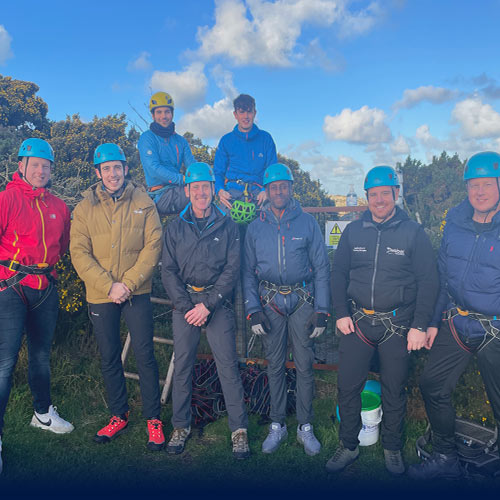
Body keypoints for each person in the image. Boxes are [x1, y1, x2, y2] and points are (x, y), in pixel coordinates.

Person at [327, 166, 439, 475]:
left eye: (384, 194)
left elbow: (428, 281)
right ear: (367, 197)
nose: (379, 200)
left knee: (393, 388)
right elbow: (337, 273)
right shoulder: (353, 231)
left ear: (395, 195)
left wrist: (419, 325)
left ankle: (392, 447)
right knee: (347, 386)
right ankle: (348, 445)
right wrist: (341, 312)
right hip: (358, 321)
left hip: (398, 324)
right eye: (373, 195)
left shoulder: (412, 232)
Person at [409, 152, 500, 480]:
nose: (480, 192)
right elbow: (443, 277)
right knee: (432, 384)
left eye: (487, 184)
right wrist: (433, 321)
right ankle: (445, 456)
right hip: (458, 320)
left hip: (495, 328)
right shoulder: (456, 221)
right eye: (473, 185)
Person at [70, 143, 164, 451]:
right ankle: (118, 415)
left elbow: (153, 246)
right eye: (106, 168)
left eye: (117, 167)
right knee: (109, 356)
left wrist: (129, 282)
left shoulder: (143, 201)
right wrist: (109, 285)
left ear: (126, 169)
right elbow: (79, 252)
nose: (113, 173)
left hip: (137, 291)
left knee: (145, 354)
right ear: (98, 173)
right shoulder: (85, 207)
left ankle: (154, 419)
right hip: (100, 293)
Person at [161, 162, 250, 460]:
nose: (200, 192)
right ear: (187, 191)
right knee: (183, 365)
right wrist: (188, 307)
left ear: (213, 190)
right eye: (195, 187)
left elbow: (232, 270)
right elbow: (168, 272)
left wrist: (207, 305)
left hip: (216, 303)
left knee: (227, 365)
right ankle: (180, 426)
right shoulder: (174, 228)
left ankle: (239, 431)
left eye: (205, 187)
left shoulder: (228, 225)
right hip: (185, 305)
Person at [242, 163, 330, 456]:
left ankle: (305, 426)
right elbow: (246, 272)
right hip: (270, 303)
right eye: (273, 187)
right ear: (266, 191)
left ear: (291, 189)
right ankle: (276, 424)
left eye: (283, 186)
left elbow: (321, 267)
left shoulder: (306, 223)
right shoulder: (255, 227)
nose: (278, 191)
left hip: (303, 300)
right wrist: (253, 309)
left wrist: (322, 310)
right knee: (275, 365)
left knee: (304, 366)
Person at [0, 138, 74, 473]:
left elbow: (67, 245)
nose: (41, 170)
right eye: (35, 165)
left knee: (41, 356)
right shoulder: (7, 199)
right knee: (5, 362)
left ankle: (42, 414)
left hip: (45, 286)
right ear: (22, 166)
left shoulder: (59, 205)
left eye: (46, 166)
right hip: (11, 286)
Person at [214, 94, 277, 223]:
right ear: (235, 114)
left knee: (271, 223)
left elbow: (272, 170)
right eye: (241, 112)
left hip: (259, 194)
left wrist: (266, 190)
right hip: (232, 194)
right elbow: (218, 172)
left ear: (255, 113)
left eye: (249, 111)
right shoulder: (226, 140)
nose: (245, 116)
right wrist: (220, 190)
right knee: (221, 227)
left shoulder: (266, 139)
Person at [137, 91, 194, 215]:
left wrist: (202, 176)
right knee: (198, 196)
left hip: (178, 190)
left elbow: (192, 165)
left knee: (205, 192)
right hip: (160, 194)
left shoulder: (180, 141)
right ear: (153, 115)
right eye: (159, 112)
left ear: (172, 114)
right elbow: (154, 169)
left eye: (167, 112)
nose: (163, 116)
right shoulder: (147, 138)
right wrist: (183, 179)